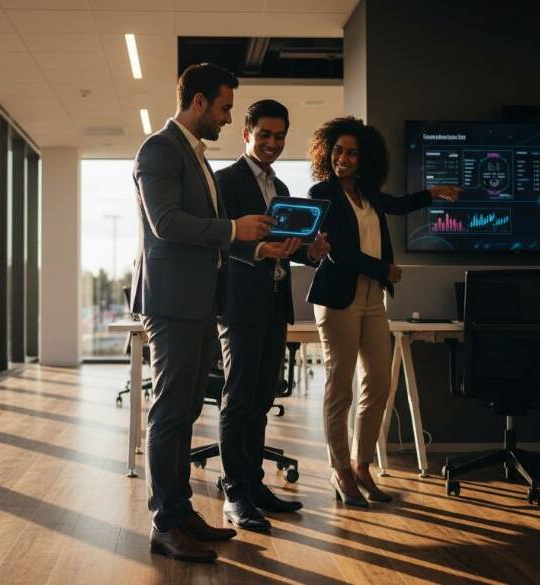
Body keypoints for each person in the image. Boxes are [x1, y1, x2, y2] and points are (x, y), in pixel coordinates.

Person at [130, 63, 275, 562]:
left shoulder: (197, 158)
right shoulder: (159, 149)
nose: (226, 116)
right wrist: (235, 229)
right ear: (197, 102)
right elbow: (167, 223)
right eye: (224, 107)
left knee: (188, 408)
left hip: (198, 300)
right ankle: (165, 523)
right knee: (170, 412)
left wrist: (254, 247)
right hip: (171, 301)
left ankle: (182, 510)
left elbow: (210, 233)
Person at [306, 117, 459, 507]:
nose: (342, 158)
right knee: (339, 387)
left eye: (351, 153)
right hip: (338, 297)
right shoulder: (321, 192)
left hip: (374, 298)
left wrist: (432, 193)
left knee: (378, 382)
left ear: (363, 158)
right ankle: (340, 471)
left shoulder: (368, 194)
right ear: (328, 153)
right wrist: (385, 269)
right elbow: (339, 251)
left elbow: (398, 204)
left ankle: (362, 466)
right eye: (337, 151)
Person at [214, 100, 330, 531]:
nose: (272, 143)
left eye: (279, 137)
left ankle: (255, 483)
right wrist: (259, 249)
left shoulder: (282, 191)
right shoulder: (224, 182)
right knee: (239, 397)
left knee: (263, 397)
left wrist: (313, 253)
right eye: (263, 134)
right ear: (246, 134)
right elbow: (217, 239)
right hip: (240, 302)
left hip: (276, 301)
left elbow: (289, 249)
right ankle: (234, 491)